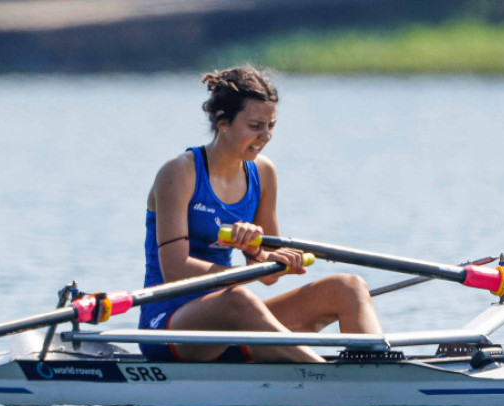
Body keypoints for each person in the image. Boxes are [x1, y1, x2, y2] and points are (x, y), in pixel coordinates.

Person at [140, 65, 383, 363]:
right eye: (255, 126)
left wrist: (264, 257)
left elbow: (268, 275)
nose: (265, 136)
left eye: (271, 126)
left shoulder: (263, 173)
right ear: (222, 122)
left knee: (348, 286)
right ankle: (325, 375)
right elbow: (174, 270)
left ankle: (377, 369)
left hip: (234, 317)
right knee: (238, 299)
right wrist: (246, 273)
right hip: (168, 325)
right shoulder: (179, 173)